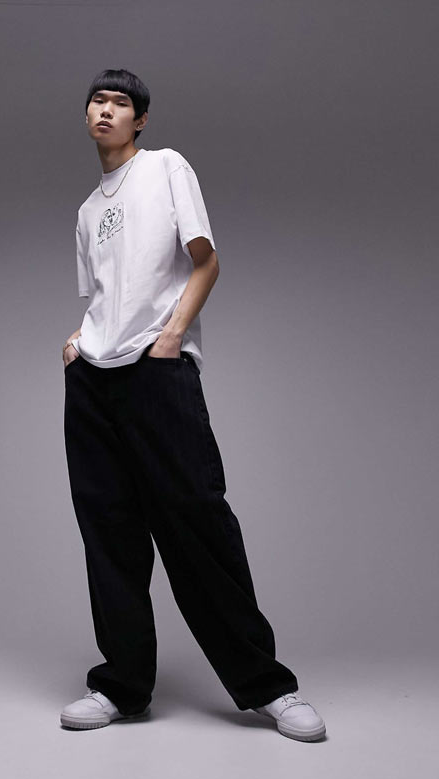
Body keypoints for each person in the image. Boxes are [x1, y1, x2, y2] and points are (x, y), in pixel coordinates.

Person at [59, 68, 326, 742]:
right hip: (92, 379)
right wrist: (78, 343)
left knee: (196, 523)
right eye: (97, 101)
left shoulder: (166, 167)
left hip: (157, 368)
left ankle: (269, 687)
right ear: (86, 116)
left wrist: (172, 335)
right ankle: (121, 686)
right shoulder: (87, 212)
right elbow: (104, 295)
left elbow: (205, 261)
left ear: (140, 119)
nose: (106, 110)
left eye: (120, 103)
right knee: (109, 534)